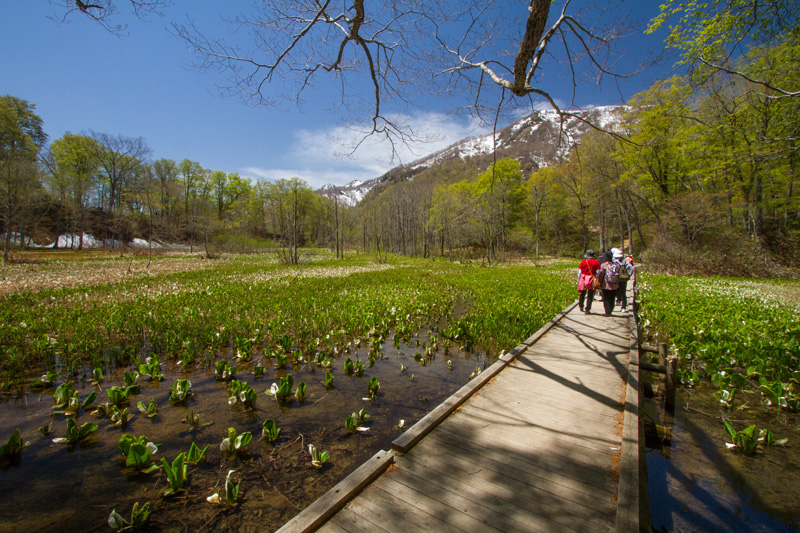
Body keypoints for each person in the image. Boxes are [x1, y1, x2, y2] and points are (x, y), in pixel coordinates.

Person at [577, 250, 600, 314]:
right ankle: (587, 309)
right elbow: (598, 272)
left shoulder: (583, 262)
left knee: (582, 293)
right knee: (590, 294)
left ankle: (581, 306)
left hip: (583, 278)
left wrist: (579, 280)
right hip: (592, 278)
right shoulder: (596, 262)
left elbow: (579, 273)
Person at [597, 251, 620, 316]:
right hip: (614, 285)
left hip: (605, 285)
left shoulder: (603, 265)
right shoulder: (616, 265)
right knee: (612, 298)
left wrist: (599, 282)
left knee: (606, 298)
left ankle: (607, 311)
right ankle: (611, 309)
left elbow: (601, 274)